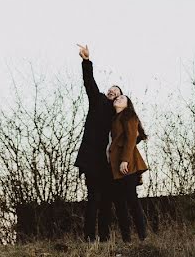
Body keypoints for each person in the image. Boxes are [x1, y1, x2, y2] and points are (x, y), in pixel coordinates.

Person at [73, 44, 121, 242]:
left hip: (110, 164)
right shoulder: (98, 101)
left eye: (116, 91)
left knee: (107, 201)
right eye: (110, 89)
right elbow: (89, 82)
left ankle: (104, 237)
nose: (111, 91)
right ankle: (89, 237)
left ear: (121, 98)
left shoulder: (121, 117)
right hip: (93, 160)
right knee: (93, 198)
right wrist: (86, 61)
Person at [108, 94, 149, 242]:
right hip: (115, 166)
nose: (117, 99)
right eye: (116, 98)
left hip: (128, 164)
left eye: (122, 98)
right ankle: (127, 239)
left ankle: (143, 237)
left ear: (127, 104)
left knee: (132, 200)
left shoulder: (129, 115)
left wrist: (125, 160)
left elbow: (131, 137)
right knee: (119, 203)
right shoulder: (114, 119)